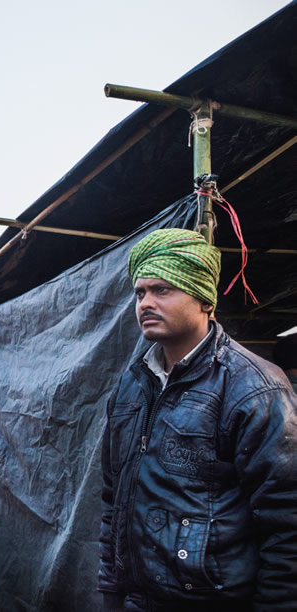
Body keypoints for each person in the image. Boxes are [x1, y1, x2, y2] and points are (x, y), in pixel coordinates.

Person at [98, 228, 297, 611]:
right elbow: (113, 501)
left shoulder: (254, 388)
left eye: (163, 290)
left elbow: (287, 521)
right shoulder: (131, 386)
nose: (146, 303)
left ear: (205, 300)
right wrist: (111, 592)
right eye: (140, 292)